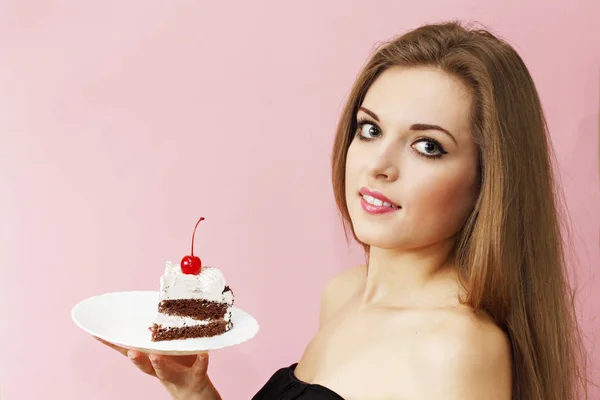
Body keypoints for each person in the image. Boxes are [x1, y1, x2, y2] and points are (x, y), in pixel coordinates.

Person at [97, 20, 589, 400]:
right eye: (370, 130)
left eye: (428, 146)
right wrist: (192, 389)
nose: (379, 165)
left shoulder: (456, 348)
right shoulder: (344, 294)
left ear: (488, 179)